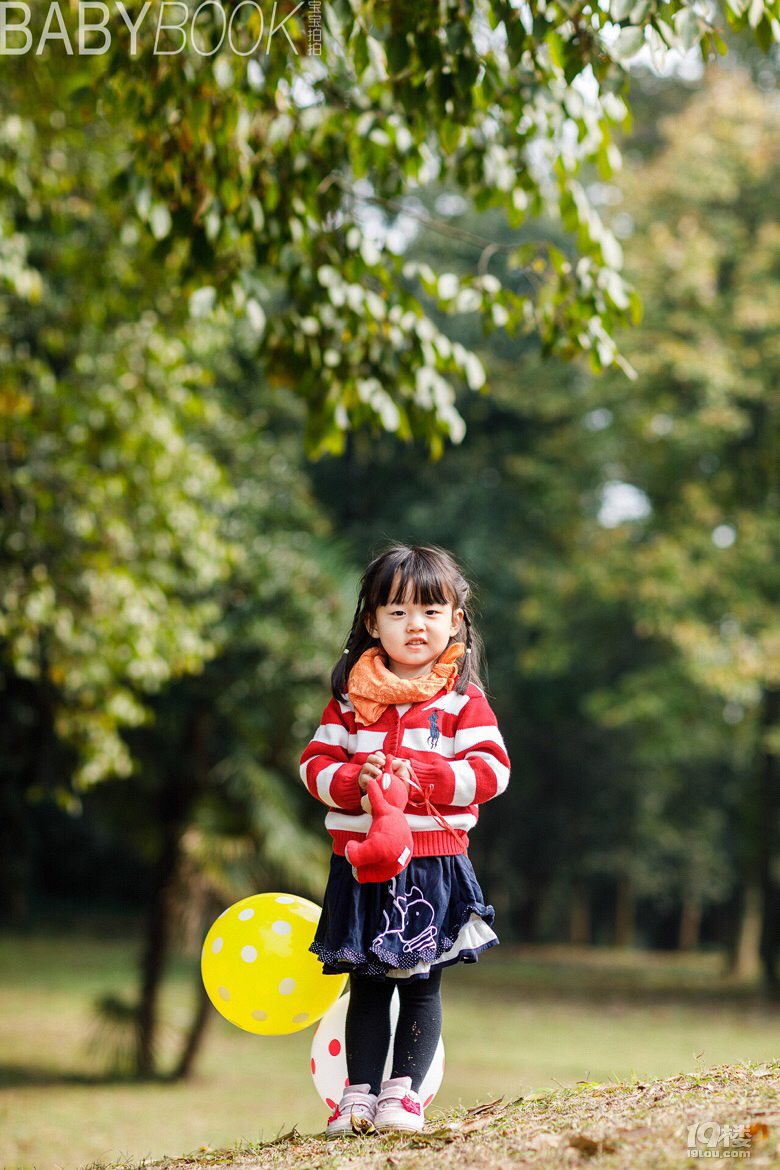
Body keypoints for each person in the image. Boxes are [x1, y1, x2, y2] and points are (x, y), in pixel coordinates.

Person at [300, 543, 510, 1137]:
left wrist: (437, 778)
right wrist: (349, 779)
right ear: (372, 622)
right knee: (365, 982)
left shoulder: (463, 701)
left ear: (455, 621)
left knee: (420, 982)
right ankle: (357, 1098)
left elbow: (494, 771)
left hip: (431, 865)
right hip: (361, 863)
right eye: (396, 612)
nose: (414, 625)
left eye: (430, 611)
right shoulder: (350, 700)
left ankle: (404, 1097)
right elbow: (313, 764)